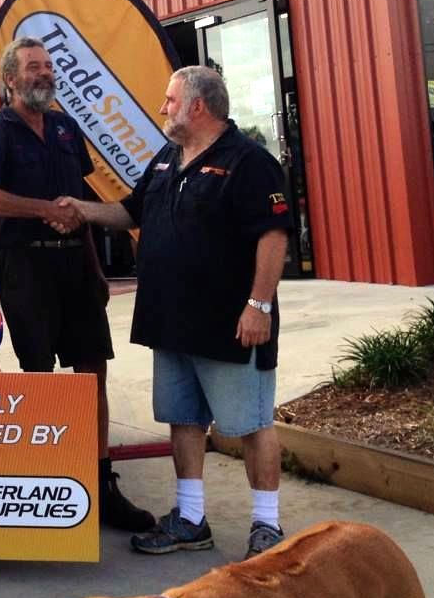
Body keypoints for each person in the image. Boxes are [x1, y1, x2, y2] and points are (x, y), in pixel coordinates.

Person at [58, 65, 292, 558]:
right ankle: (190, 519)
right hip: (170, 320)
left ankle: (267, 526)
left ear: (198, 106)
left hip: (231, 322)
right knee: (182, 418)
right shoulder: (167, 158)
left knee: (250, 423)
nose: (163, 108)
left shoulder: (249, 162)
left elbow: (273, 237)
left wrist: (259, 305)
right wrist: (80, 209)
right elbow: (131, 212)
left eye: (169, 99)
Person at [0, 36, 155, 533]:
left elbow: (81, 208)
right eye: (32, 67)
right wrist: (43, 210)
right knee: (39, 376)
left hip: (76, 268)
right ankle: (48, 483)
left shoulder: (67, 129)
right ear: (9, 79)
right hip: (26, 269)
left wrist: (96, 272)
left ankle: (101, 483)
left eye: (49, 66)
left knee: (93, 376)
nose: (45, 74)